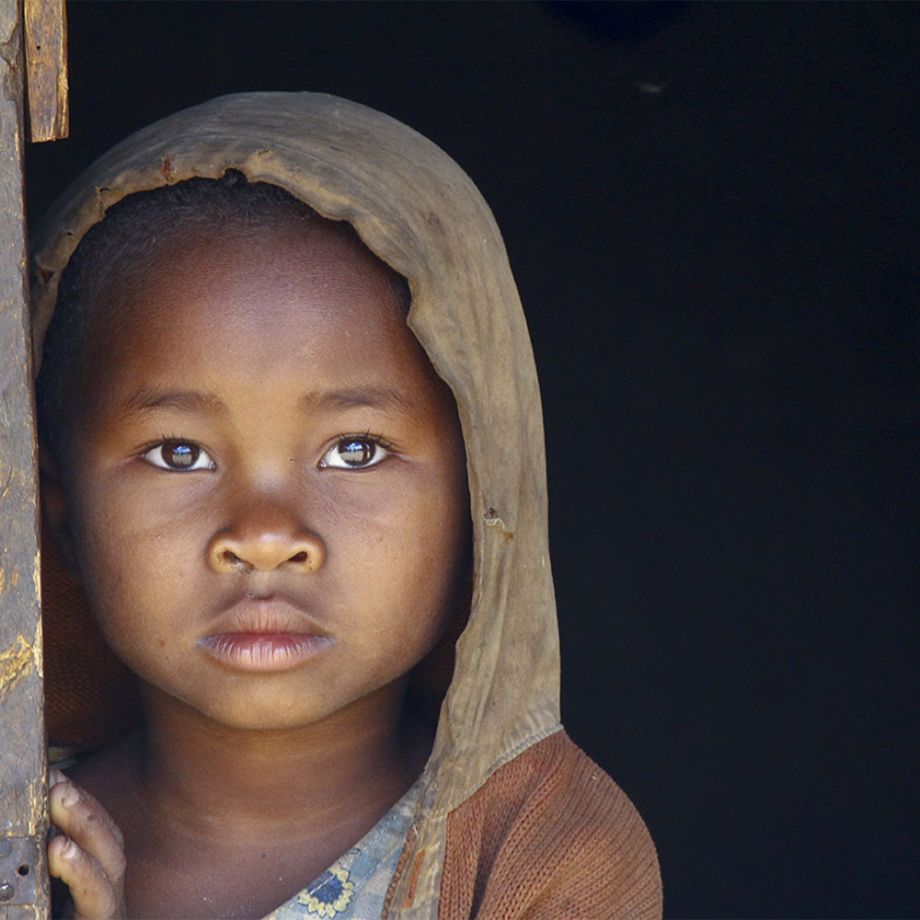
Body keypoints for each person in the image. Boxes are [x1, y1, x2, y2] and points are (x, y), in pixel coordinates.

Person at [31, 92, 661, 919]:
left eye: (354, 451)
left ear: (483, 500)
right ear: (58, 515)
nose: (263, 538)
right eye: (178, 454)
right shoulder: (24, 841)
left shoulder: (539, 853)